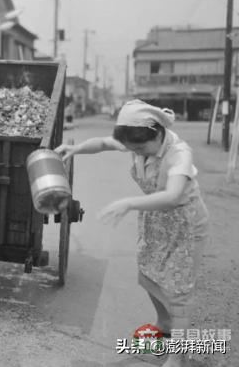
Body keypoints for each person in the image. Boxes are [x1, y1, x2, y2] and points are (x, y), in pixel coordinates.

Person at [55, 99, 209, 367]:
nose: (136, 152)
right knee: (149, 275)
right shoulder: (138, 143)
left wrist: (128, 203)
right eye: (132, 149)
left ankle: (178, 356)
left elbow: (172, 196)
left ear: (158, 133)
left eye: (140, 148)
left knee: (178, 291)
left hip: (185, 225)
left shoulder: (179, 154)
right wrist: (76, 148)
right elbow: (104, 143)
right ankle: (164, 323)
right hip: (157, 221)